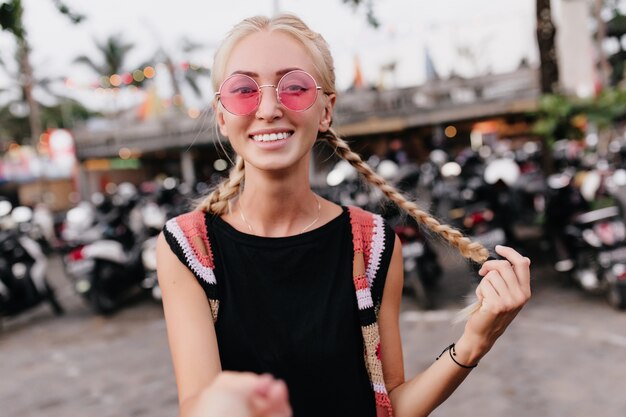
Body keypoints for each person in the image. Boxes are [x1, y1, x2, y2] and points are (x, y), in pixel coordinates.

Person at [156, 14, 532, 417]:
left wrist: (474, 343)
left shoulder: (371, 243)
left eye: (294, 87)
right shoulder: (189, 248)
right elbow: (195, 405)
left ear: (325, 110)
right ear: (222, 114)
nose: (268, 108)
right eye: (244, 89)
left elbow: (391, 404)